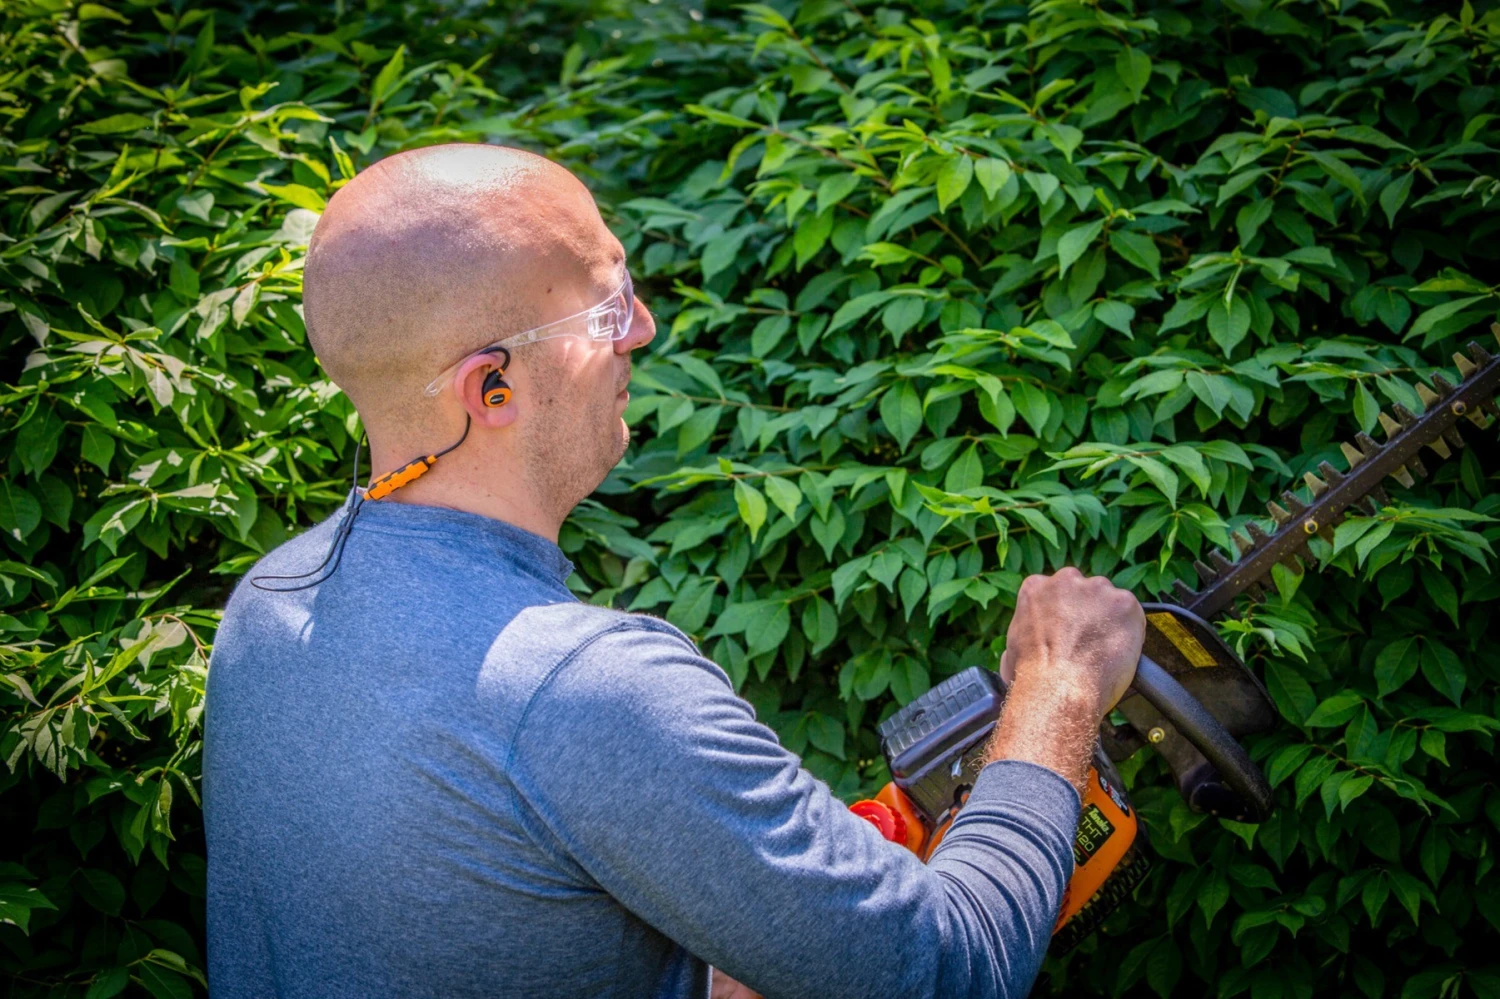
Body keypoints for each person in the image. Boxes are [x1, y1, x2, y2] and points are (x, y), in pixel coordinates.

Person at [202, 143, 1146, 999]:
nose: (643, 329)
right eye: (607, 308)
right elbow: (953, 970)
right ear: (491, 387)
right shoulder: (593, 692)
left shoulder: (271, 602)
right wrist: (1058, 684)